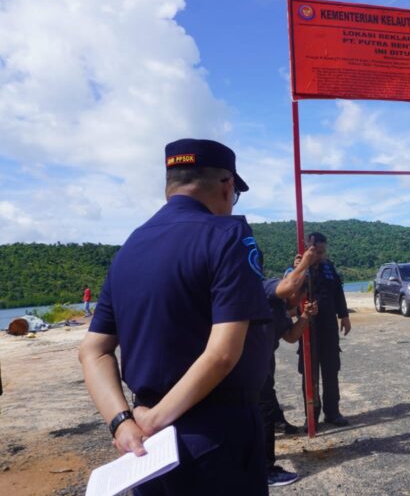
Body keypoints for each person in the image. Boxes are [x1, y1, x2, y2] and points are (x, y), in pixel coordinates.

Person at [79, 138, 274, 495]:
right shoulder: (229, 236)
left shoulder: (129, 248)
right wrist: (156, 418)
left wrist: (123, 423)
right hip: (217, 437)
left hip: (146, 449)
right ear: (227, 185)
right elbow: (222, 353)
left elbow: (92, 350)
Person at [260, 247, 319, 487]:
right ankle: (265, 470)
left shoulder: (282, 309)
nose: (299, 301)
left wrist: (304, 317)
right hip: (248, 366)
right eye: (299, 296)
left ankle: (259, 464)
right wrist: (304, 264)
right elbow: (286, 285)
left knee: (263, 413)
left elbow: (291, 337)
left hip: (264, 364)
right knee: (261, 415)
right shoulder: (264, 288)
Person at [296, 232, 351, 429]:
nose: (321, 255)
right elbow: (290, 295)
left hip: (328, 328)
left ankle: (332, 413)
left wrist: (344, 316)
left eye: (323, 251)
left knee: (331, 370)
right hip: (308, 329)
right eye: (316, 251)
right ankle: (311, 416)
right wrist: (301, 269)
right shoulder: (297, 268)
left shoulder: (329, 267)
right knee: (309, 374)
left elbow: (338, 292)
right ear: (307, 249)